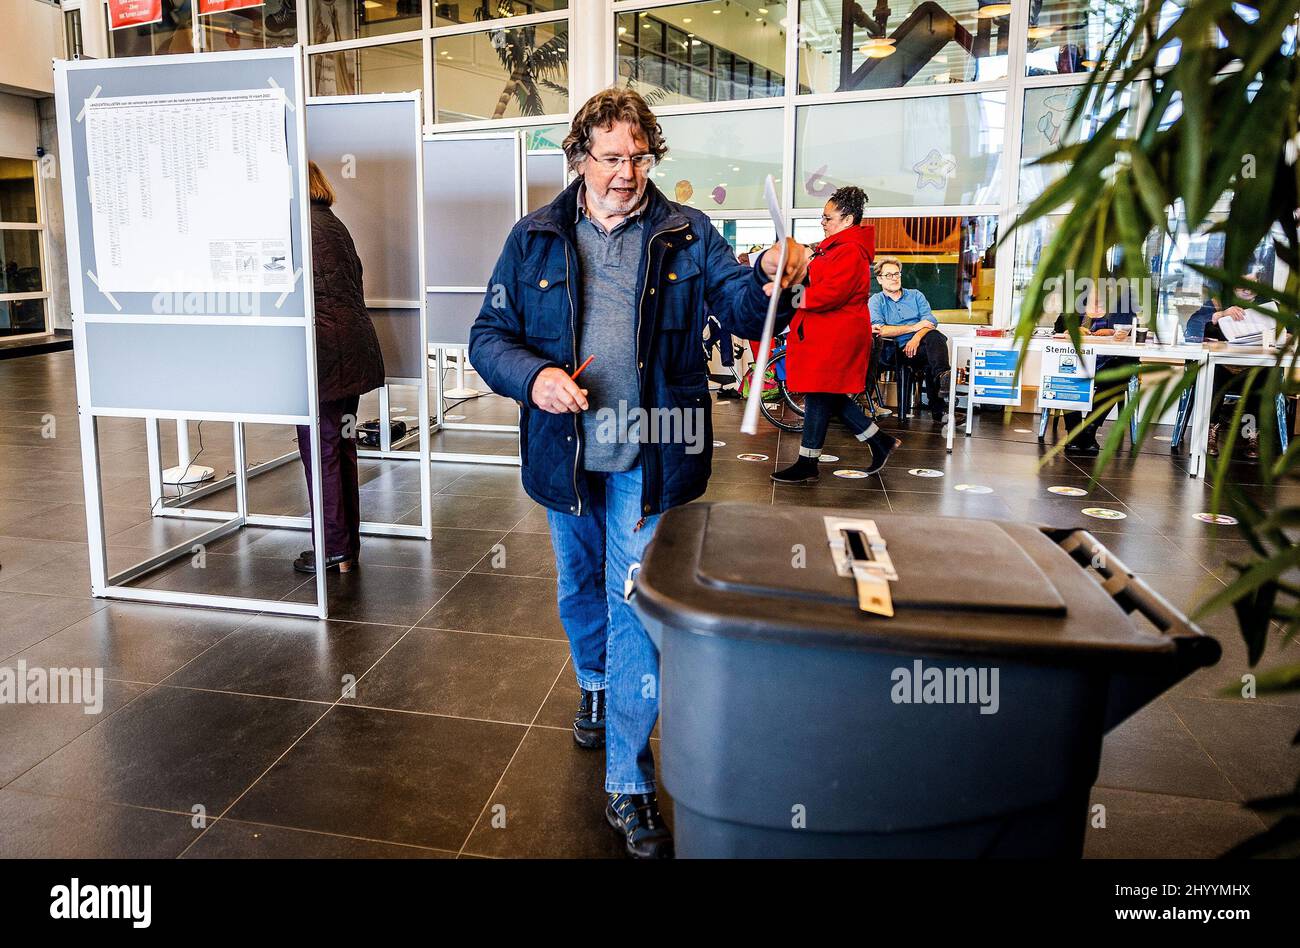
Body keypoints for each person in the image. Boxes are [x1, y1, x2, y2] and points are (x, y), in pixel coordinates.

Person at [468, 88, 808, 859]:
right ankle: (591, 678)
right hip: (568, 456)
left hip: (651, 456)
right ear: (579, 157)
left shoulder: (688, 235)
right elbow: (488, 334)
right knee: (578, 589)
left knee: (635, 615)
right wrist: (535, 379)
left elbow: (744, 309)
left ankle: (629, 777)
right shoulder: (534, 239)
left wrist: (768, 275)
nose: (626, 173)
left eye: (639, 157)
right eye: (612, 157)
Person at [293, 161, 385, 574]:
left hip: (325, 356)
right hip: (350, 349)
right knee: (339, 445)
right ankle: (345, 547)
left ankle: (332, 548)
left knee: (322, 449)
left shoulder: (300, 228)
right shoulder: (332, 223)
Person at [771, 186, 899, 484]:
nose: (823, 222)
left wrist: (790, 294)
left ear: (848, 219)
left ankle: (808, 462)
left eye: (828, 218)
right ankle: (878, 442)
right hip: (829, 334)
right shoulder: (836, 249)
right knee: (825, 394)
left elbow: (830, 294)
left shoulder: (849, 252)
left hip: (835, 336)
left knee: (820, 393)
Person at [1186, 272, 1278, 459]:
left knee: (1263, 374)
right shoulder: (1220, 300)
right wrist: (1219, 315)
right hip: (1222, 369)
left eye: (1251, 282)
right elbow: (1191, 327)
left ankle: (1252, 434)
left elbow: (1290, 333)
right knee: (1213, 369)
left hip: (1253, 369)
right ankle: (1211, 432)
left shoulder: (1268, 304)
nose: (1246, 287)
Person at [869, 256, 954, 422]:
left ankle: (941, 377)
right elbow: (881, 331)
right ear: (879, 279)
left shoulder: (916, 295)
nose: (894, 278)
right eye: (889, 275)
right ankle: (940, 406)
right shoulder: (876, 301)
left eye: (897, 274)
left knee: (934, 339)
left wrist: (916, 337)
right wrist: (913, 327)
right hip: (893, 351)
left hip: (919, 346)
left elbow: (930, 322)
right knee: (934, 354)